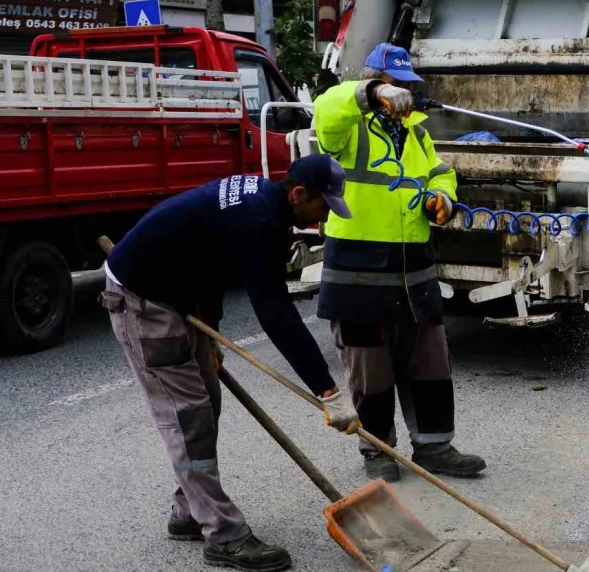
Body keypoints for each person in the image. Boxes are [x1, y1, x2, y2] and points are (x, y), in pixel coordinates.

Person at [99, 153, 382, 571]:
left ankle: (189, 510)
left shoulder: (266, 204)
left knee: (206, 401)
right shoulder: (261, 220)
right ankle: (223, 535)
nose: (323, 220)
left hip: (178, 296)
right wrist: (328, 391)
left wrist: (209, 328)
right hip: (144, 304)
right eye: (323, 206)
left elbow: (211, 258)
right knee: (188, 417)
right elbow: (277, 315)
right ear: (299, 193)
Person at [312, 42, 486, 483]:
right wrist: (370, 95)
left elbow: (440, 173)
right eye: (395, 87)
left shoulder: (418, 135)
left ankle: (435, 447)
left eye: (406, 87)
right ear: (375, 83)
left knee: (430, 363)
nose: (403, 97)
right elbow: (327, 109)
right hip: (359, 269)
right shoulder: (349, 129)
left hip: (414, 269)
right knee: (370, 370)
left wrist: (443, 198)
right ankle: (378, 451)